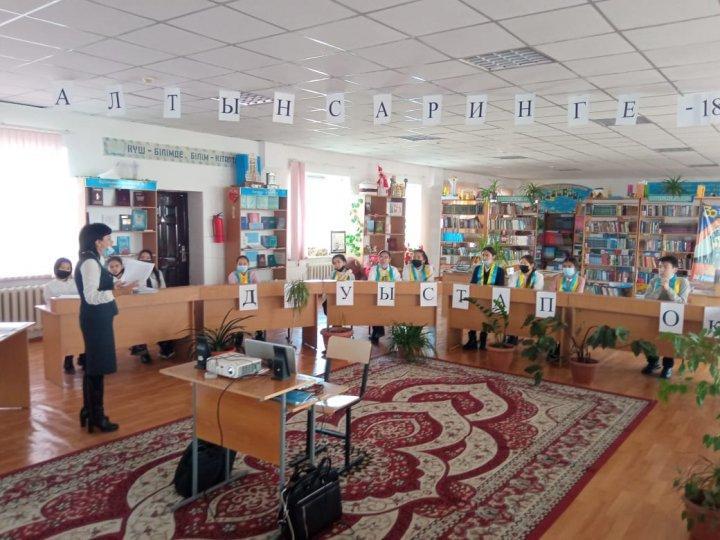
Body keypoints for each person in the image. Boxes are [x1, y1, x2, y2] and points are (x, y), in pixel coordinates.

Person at [75, 223, 135, 433]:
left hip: (97, 318)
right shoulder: (90, 263)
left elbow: (98, 287)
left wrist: (113, 286)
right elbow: (91, 297)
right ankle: (96, 415)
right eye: (108, 238)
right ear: (97, 241)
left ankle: (89, 410)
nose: (111, 242)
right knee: (97, 366)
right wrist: (117, 293)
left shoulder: (93, 259)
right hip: (95, 319)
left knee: (94, 365)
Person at [641, 255, 690, 379]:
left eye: (665, 267)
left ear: (674, 269)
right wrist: (660, 288)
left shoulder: (682, 282)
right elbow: (647, 299)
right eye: (660, 267)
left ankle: (668, 366)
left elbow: (682, 302)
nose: (661, 269)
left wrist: (668, 289)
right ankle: (653, 362)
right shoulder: (654, 281)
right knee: (651, 338)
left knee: (669, 341)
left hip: (673, 318)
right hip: (654, 315)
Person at [44, 257, 85, 374]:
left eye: (68, 268)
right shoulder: (49, 285)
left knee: (83, 334)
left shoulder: (76, 282)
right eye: (62, 268)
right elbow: (48, 303)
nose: (65, 270)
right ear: (56, 268)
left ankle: (83, 358)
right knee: (69, 336)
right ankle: (68, 361)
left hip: (78, 314)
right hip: (61, 318)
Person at [463, 246, 506, 350]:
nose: (485, 257)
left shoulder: (499, 271)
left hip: (490, 299)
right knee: (473, 317)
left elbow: (500, 287)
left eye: (487, 255)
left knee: (485, 319)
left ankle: (483, 341)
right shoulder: (477, 268)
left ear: (493, 256)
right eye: (483, 255)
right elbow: (472, 283)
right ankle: (472, 339)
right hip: (477, 297)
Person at [134, 250, 174, 360]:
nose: (145, 259)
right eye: (142, 257)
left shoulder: (157, 272)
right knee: (139, 327)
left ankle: (165, 348)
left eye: (147, 257)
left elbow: (163, 288)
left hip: (155, 304)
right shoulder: (134, 273)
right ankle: (143, 353)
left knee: (160, 324)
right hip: (139, 306)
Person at [506, 255, 544, 345]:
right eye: (521, 263)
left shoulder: (539, 276)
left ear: (532, 265)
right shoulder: (516, 274)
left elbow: (537, 290)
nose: (522, 265)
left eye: (525, 263)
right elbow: (510, 288)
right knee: (513, 315)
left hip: (531, 303)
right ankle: (512, 335)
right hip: (516, 301)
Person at [367, 250, 402, 344]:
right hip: (376, 295)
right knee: (372, 308)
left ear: (389, 259)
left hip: (391, 296)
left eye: (386, 257)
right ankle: (378, 330)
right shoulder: (374, 269)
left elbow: (399, 282)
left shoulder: (394, 270)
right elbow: (370, 283)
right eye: (381, 257)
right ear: (378, 259)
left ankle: (378, 332)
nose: (383, 259)